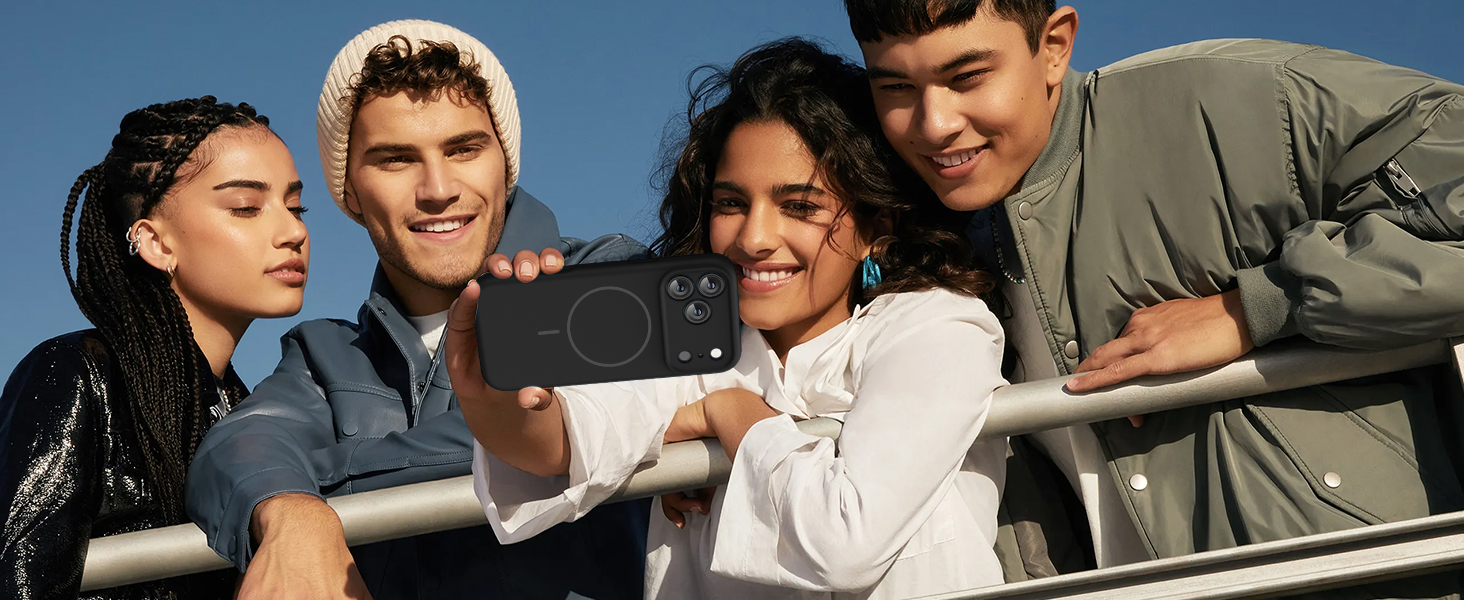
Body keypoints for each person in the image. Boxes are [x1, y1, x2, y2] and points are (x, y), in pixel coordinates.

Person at [847, 0, 1464, 593]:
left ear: (1054, 46)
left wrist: (1257, 309)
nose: (934, 123)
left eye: (968, 76)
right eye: (895, 88)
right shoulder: (923, 239)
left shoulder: (1240, 100)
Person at [453, 38, 1010, 600]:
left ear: (875, 227)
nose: (754, 238)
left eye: (800, 206)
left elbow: (845, 542)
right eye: (730, 203)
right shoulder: (691, 342)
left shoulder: (938, 326)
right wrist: (488, 394)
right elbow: (560, 445)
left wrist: (731, 417)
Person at [183, 20, 649, 600]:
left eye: (464, 149)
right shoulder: (325, 355)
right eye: (396, 159)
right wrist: (288, 510)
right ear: (349, 192)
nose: (437, 188)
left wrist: (318, 488)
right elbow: (239, 443)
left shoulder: (603, 276)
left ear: (505, 162)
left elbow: (528, 437)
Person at [0, 97, 309, 600]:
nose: (294, 231)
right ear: (156, 243)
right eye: (246, 208)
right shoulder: (77, 375)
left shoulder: (251, 409)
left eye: (296, 207)